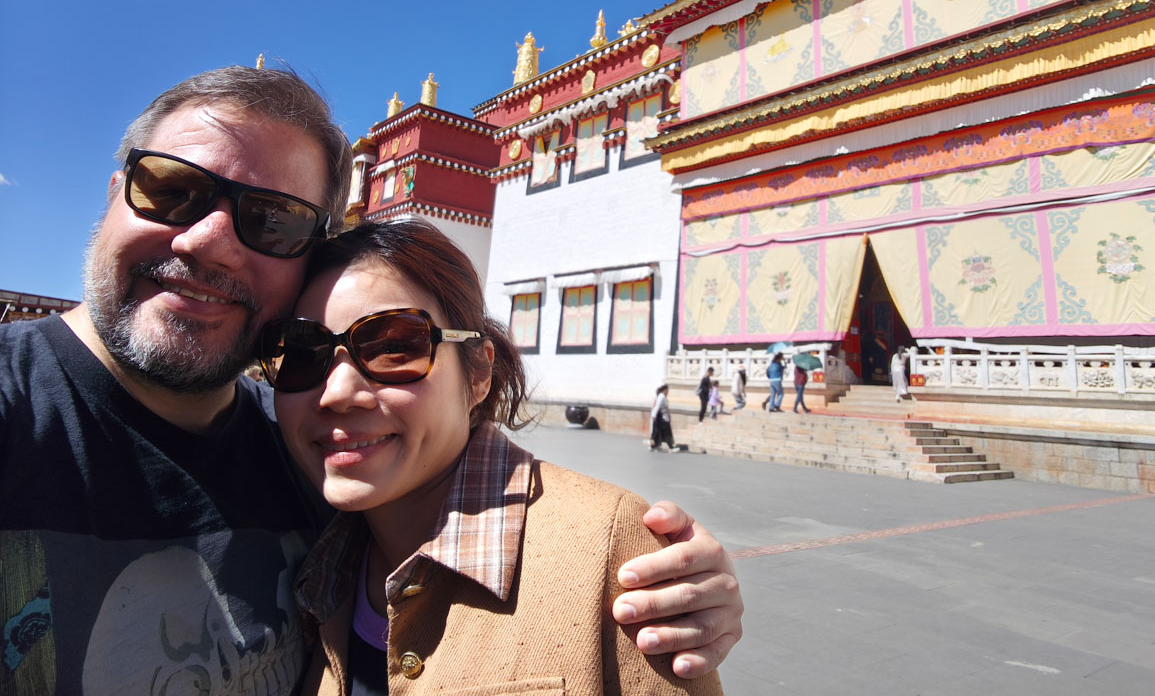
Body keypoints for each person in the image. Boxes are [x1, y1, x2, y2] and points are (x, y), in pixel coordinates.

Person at [0, 66, 741, 693]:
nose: (210, 241)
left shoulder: (304, 455)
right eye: (172, 190)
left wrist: (630, 556)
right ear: (114, 191)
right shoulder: (321, 475)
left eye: (273, 221)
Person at [261, 220, 722, 693]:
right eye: (301, 353)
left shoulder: (611, 554)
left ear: (479, 372)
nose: (337, 393)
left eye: (394, 347)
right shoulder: (315, 558)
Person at [650, 384, 679, 451]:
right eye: (667, 391)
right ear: (665, 390)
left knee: (656, 433)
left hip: (662, 417)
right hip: (663, 418)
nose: (667, 393)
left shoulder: (661, 396)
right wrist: (654, 415)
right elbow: (657, 406)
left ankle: (653, 446)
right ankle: (671, 447)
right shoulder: (661, 396)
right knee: (667, 433)